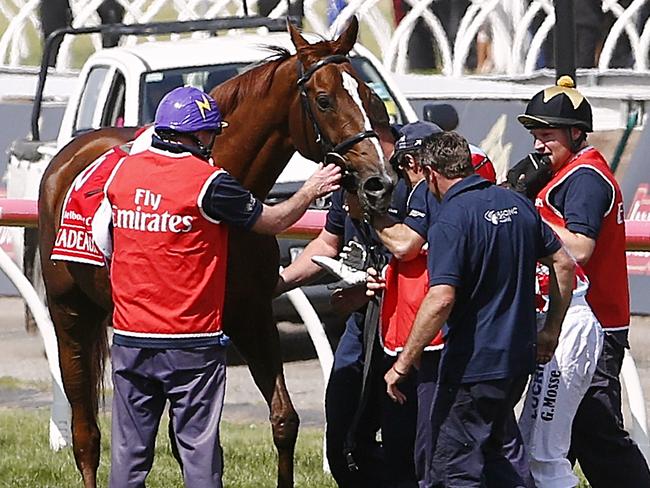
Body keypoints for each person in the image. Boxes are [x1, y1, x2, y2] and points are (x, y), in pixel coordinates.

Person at [96, 86, 340, 488]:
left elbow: (102, 241)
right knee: (199, 452)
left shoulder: (122, 172)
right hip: (191, 343)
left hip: (130, 338)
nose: (215, 140)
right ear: (195, 135)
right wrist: (312, 190)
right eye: (211, 132)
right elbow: (274, 221)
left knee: (129, 455)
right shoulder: (210, 182)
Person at [382, 131, 575, 487]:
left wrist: (403, 364)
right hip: (517, 362)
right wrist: (550, 330)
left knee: (452, 470)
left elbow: (440, 298)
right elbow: (564, 264)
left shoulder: (450, 220)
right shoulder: (516, 204)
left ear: (429, 173)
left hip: (472, 368)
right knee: (498, 457)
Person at [276, 122, 443, 488]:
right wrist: (281, 282)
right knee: (343, 432)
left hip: (406, 326)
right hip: (362, 323)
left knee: (405, 441)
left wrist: (366, 213)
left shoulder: (418, 188)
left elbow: (407, 246)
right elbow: (327, 243)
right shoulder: (352, 183)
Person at [516, 76, 650, 487]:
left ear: (576, 134)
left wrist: (524, 215)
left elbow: (580, 248)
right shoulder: (564, 172)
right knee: (565, 434)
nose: (539, 144)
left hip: (592, 325)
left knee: (595, 433)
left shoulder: (585, 179)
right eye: (535, 135)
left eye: (548, 135)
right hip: (572, 320)